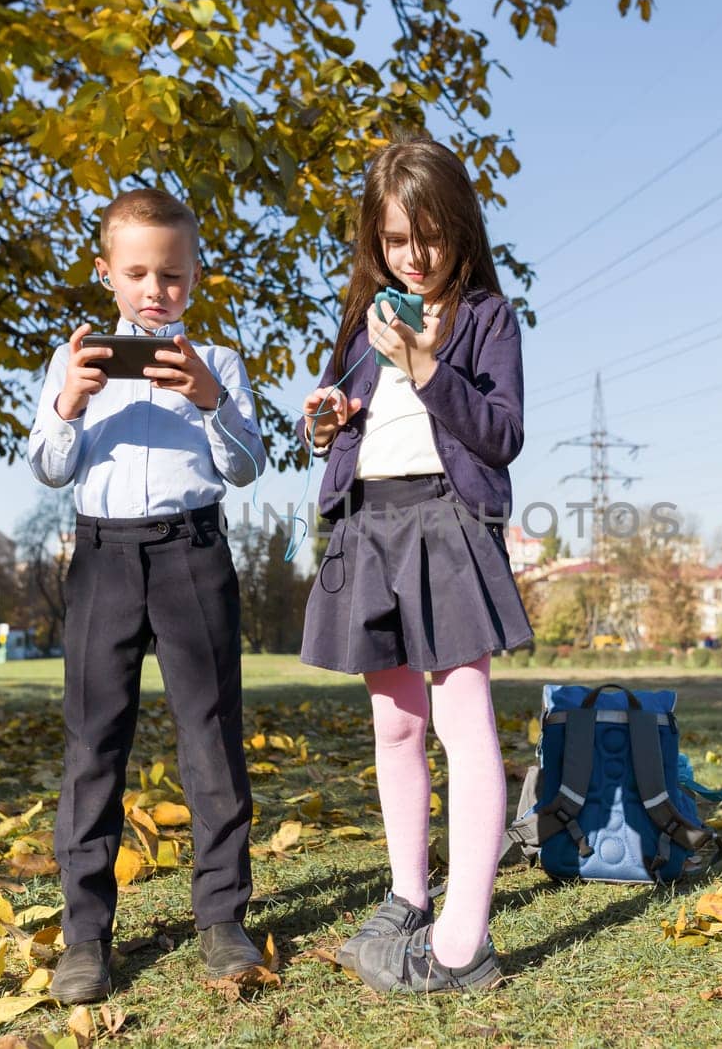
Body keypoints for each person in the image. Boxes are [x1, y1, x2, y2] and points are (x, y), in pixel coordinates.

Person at [298, 139, 533, 993]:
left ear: (460, 229)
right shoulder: (364, 319)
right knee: (394, 724)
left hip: (446, 521)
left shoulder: (484, 319)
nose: (415, 256)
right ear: (377, 241)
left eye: (430, 235)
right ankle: (407, 894)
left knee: (461, 722)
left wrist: (425, 365)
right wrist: (323, 422)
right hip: (370, 528)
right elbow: (333, 420)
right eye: (397, 239)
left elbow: (502, 433)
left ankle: (462, 942)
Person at [28, 187, 267, 1003]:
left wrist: (208, 396)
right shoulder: (76, 361)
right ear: (107, 273)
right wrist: (71, 399)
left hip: (192, 554)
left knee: (209, 733)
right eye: (137, 273)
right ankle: (86, 933)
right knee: (94, 742)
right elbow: (51, 466)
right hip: (102, 560)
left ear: (194, 277)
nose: (155, 290)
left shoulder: (221, 363)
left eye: (172, 275)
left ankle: (222, 916)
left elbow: (245, 464)